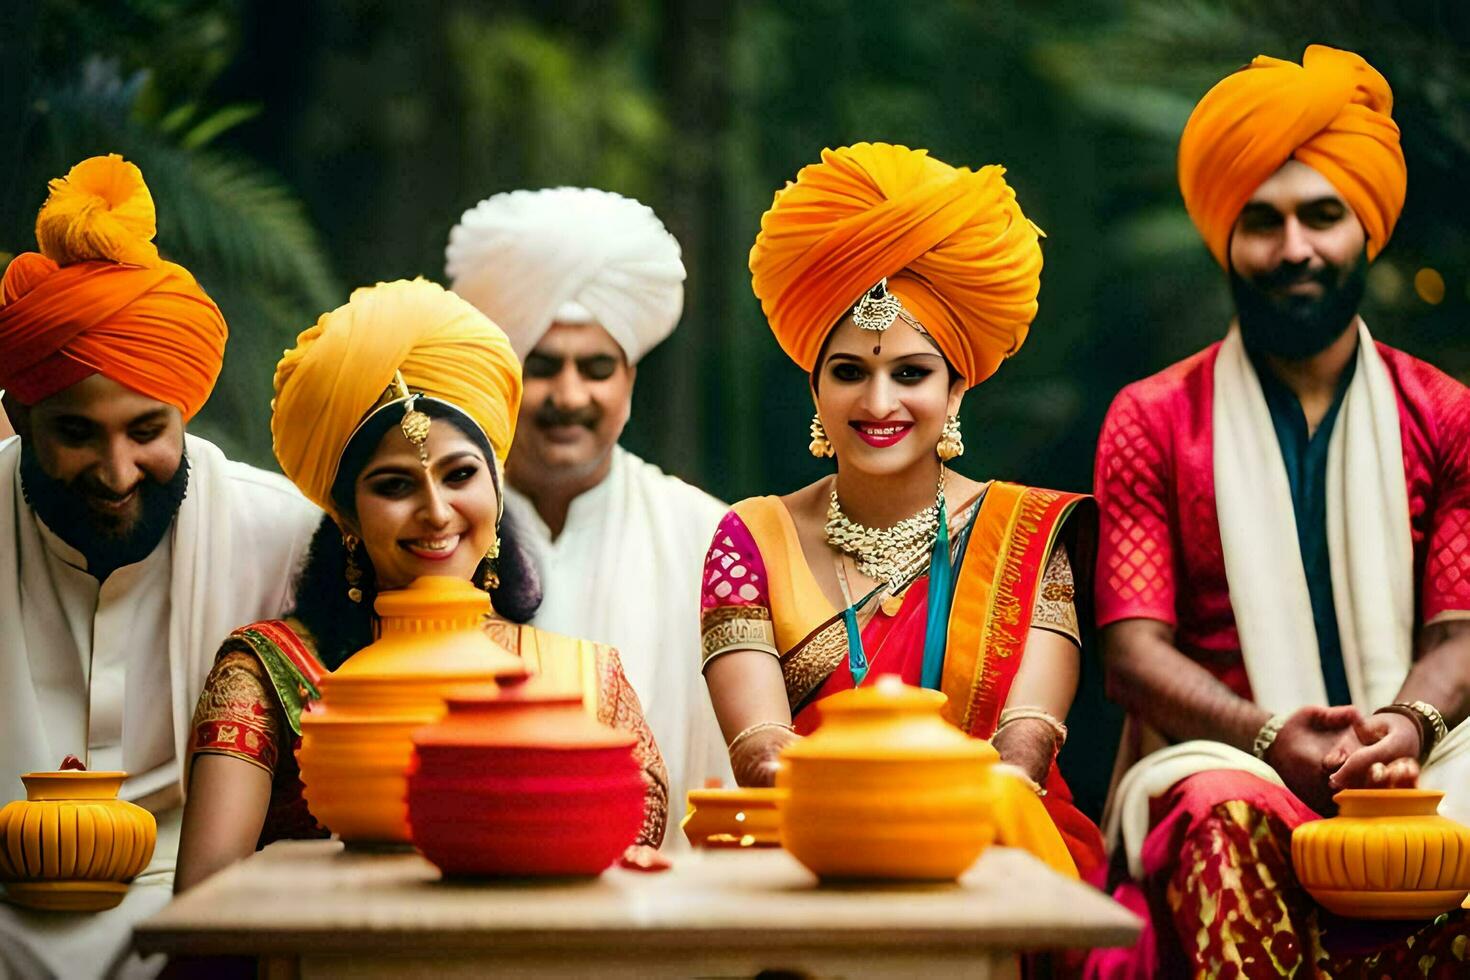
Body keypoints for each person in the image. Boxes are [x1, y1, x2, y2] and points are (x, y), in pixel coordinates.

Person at [1089, 46, 1470, 977]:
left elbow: (1460, 628)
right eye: (1262, 222)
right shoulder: (1153, 418)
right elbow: (1134, 653)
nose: (1294, 248)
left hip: (1424, 748)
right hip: (1232, 757)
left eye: (1321, 217)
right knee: (1221, 810)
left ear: (1365, 230)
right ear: (1226, 238)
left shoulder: (1448, 415)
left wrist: (1409, 724)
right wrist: (1268, 736)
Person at [174, 278, 668, 892]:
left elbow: (632, 887)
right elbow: (206, 895)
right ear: (347, 516)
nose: (436, 512)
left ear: (495, 485)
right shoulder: (268, 674)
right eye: (395, 486)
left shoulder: (584, 679)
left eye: (460, 474)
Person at [703, 142, 1105, 880]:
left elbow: (1026, 747)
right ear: (814, 389)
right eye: (850, 372)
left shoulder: (1027, 535)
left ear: (956, 390)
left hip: (997, 855)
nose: (879, 403)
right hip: (813, 856)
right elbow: (762, 753)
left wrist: (931, 833)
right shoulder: (750, 539)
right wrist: (869, 832)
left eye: (911, 374)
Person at [0, 155, 319, 980]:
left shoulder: (282, 533)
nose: (116, 471)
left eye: (147, 430)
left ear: (188, 405)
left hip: (209, 924)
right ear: (18, 414)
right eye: (77, 435)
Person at [446, 187, 731, 828]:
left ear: (630, 379)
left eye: (597, 367)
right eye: (543, 366)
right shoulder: (440, 529)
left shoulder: (705, 535)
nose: (569, 395)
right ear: (503, 373)